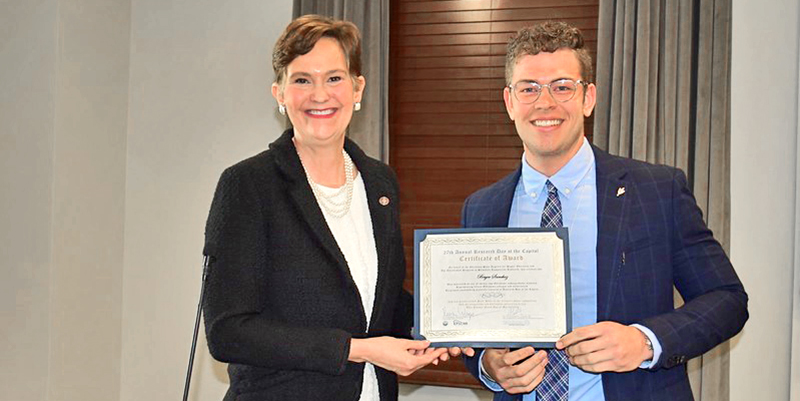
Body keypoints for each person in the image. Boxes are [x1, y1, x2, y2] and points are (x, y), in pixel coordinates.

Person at [461, 21, 748, 400]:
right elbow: (471, 329)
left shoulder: (657, 191)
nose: (545, 103)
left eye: (562, 87)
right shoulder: (482, 208)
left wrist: (644, 342)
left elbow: (727, 299)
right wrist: (489, 366)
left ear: (588, 98)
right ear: (510, 102)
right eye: (528, 89)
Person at [202, 15, 447, 401]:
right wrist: (357, 349)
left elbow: (382, 301)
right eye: (302, 80)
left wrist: (450, 325)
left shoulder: (380, 183)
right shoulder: (248, 185)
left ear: (357, 88)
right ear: (279, 93)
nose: (320, 95)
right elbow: (228, 332)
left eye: (334, 78)